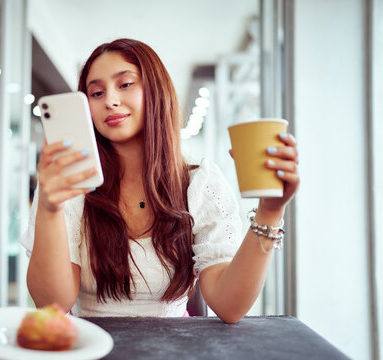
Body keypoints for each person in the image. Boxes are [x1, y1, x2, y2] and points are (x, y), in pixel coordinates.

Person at [22, 38, 299, 323]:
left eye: (125, 84)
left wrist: (271, 211)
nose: (110, 101)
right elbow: (51, 303)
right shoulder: (70, 186)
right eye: (96, 93)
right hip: (91, 347)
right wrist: (49, 207)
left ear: (157, 91)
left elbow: (229, 306)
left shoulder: (199, 184)